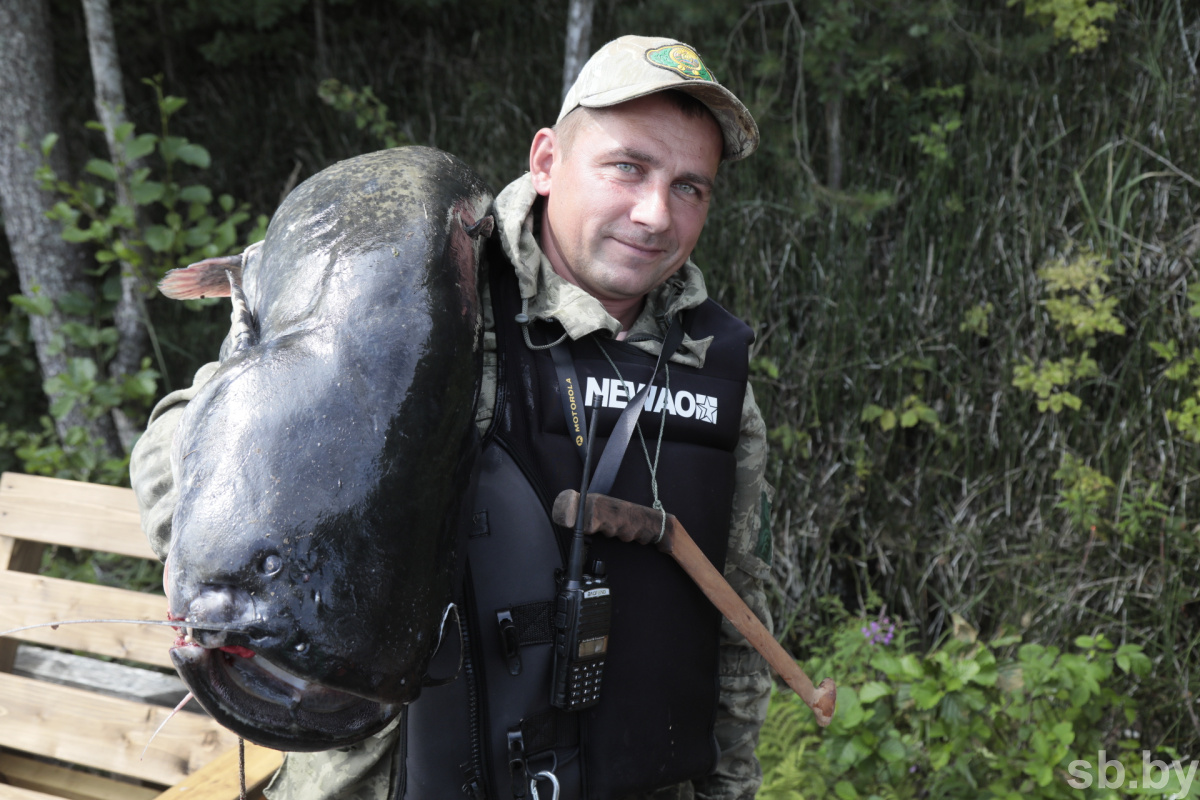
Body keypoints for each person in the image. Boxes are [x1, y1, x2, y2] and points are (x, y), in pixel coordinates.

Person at [131, 34, 774, 800]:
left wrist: (731, 785)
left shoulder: (713, 369)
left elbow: (736, 617)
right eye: (627, 167)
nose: (654, 213)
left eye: (690, 187)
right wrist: (251, 600)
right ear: (546, 161)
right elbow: (174, 438)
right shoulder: (417, 286)